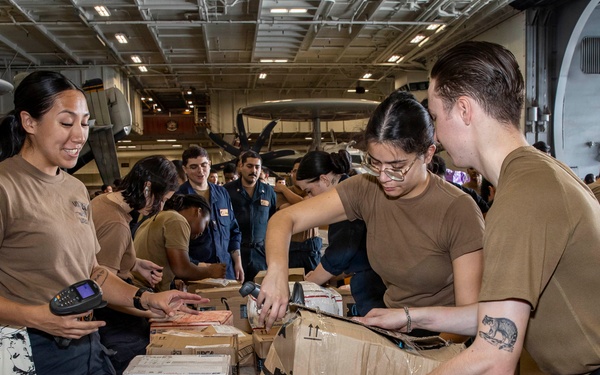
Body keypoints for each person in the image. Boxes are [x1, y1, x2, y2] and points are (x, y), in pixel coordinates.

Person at [358, 41, 600, 374]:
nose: (437, 134)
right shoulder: (537, 175)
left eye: (436, 116)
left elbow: (494, 357)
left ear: (464, 110)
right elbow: (497, 320)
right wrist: (410, 316)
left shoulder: (524, 195)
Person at [0, 70, 206, 375]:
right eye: (66, 123)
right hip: (29, 348)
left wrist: (147, 298)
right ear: (29, 122)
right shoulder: (6, 186)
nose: (80, 135)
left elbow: (93, 273)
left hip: (86, 343)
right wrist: (34, 316)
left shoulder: (74, 189)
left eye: (84, 123)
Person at [258, 90, 485, 337]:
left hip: (444, 338)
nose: (384, 177)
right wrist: (277, 272)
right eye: (375, 163)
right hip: (396, 331)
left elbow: (470, 317)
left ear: (428, 155)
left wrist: (415, 330)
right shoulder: (367, 189)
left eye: (397, 167)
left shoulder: (458, 209)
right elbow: (284, 219)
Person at [91, 155, 178, 374]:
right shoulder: (116, 224)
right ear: (148, 188)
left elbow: (96, 255)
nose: (162, 206)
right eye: (163, 199)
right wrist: (147, 311)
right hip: (115, 324)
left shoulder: (105, 202)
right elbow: (103, 290)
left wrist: (135, 264)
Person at [295, 149, 386, 316]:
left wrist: (309, 283)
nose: (309, 198)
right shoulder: (352, 188)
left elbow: (340, 254)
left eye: (309, 191)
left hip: (375, 285)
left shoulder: (347, 200)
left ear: (324, 179)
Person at [133, 194, 226, 292]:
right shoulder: (177, 220)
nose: (202, 233)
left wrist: (172, 282)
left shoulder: (154, 219)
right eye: (206, 223)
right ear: (198, 211)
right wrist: (211, 271)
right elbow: (182, 270)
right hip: (144, 292)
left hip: (139, 289)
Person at [177, 146, 243, 281]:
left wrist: (238, 262)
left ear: (210, 164)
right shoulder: (178, 198)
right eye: (194, 167)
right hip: (197, 274)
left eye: (204, 165)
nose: (200, 171)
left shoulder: (222, 193)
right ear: (185, 169)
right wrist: (201, 267)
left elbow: (233, 230)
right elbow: (174, 245)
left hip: (226, 271)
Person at [224, 151, 276, 282]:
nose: (254, 170)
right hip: (235, 252)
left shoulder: (268, 191)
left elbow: (273, 220)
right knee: (236, 294)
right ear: (240, 166)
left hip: (260, 254)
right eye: (249, 166)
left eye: (257, 167)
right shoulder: (227, 191)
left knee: (261, 293)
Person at [274, 158, 323, 274]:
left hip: (311, 250)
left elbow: (307, 205)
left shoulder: (314, 190)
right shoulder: (280, 193)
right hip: (292, 249)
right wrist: (285, 190)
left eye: (301, 170)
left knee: (315, 285)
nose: (298, 173)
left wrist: (284, 189)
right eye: (295, 171)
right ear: (291, 173)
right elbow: (286, 211)